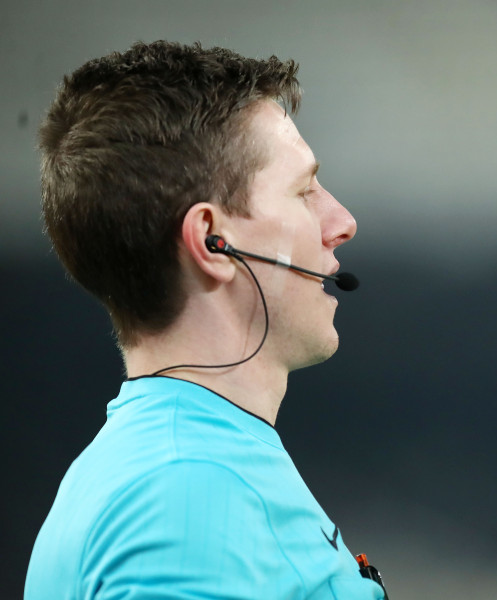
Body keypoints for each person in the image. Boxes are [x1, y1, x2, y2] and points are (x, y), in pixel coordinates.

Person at [25, 41, 387, 599]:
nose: (342, 221)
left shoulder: (175, 468)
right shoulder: (186, 497)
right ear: (213, 242)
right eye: (303, 191)